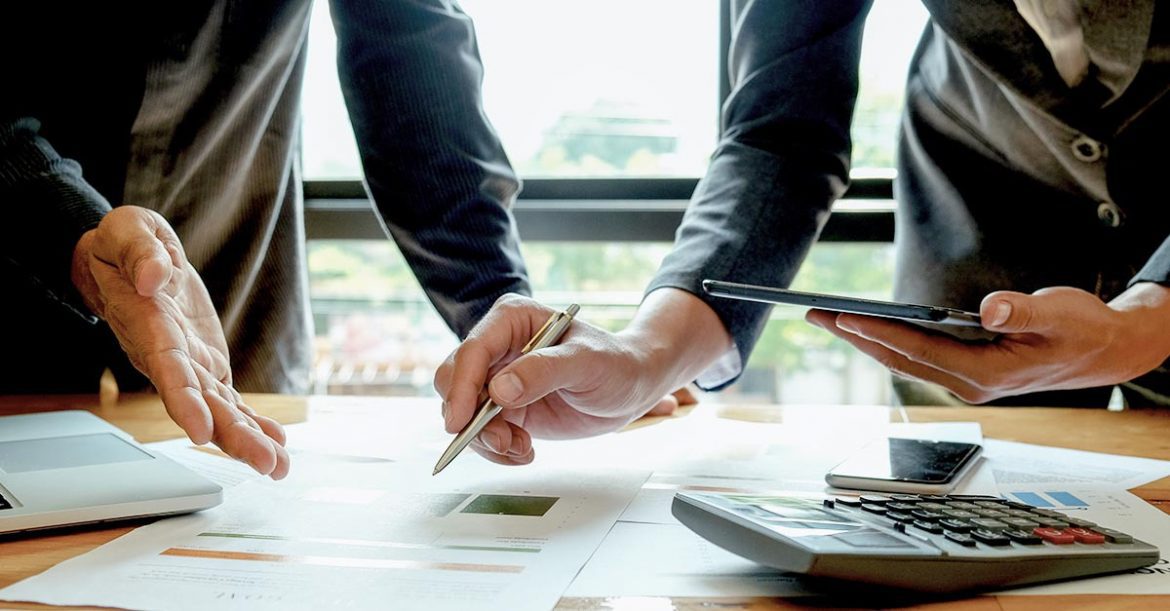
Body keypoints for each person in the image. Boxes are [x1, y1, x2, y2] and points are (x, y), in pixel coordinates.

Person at [434, 0, 1170, 466]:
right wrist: (645, 355)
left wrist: (1150, 317)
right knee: (973, 532)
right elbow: (781, 135)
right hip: (982, 225)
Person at [1, 1, 529, 478]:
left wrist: (510, 324)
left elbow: (415, 79)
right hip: (15, 294)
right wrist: (67, 222)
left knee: (246, 519)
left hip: (228, 316)